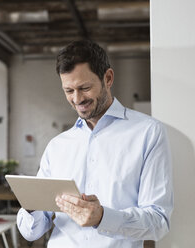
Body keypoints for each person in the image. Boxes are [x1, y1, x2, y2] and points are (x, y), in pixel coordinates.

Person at [16, 40, 173, 247]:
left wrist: (102, 218)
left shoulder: (148, 133)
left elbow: (158, 222)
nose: (77, 99)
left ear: (108, 78)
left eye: (84, 88)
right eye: (69, 91)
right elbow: (32, 232)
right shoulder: (57, 146)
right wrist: (30, 206)